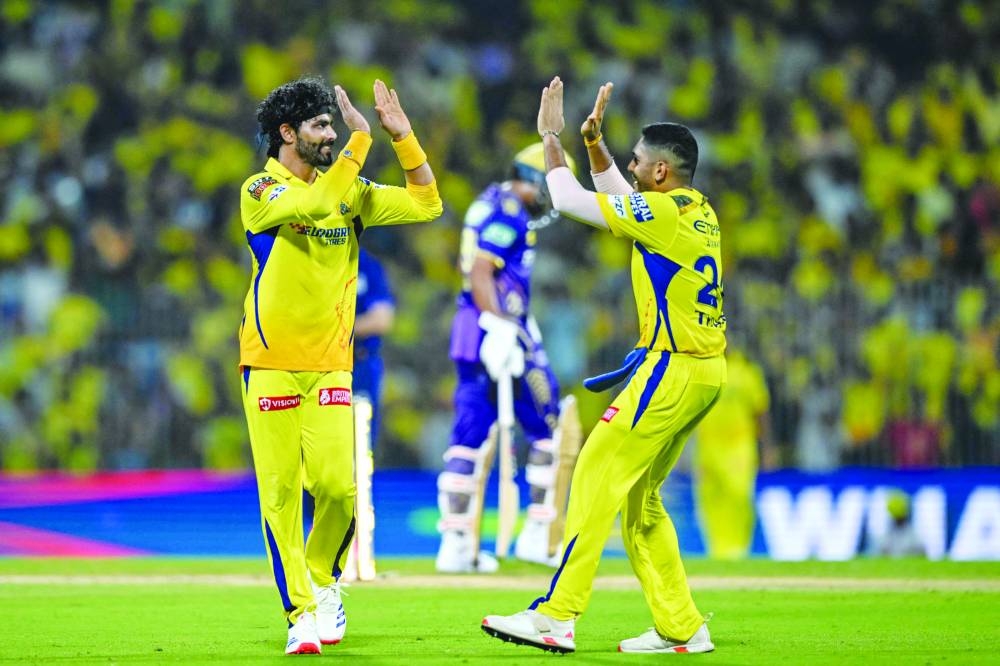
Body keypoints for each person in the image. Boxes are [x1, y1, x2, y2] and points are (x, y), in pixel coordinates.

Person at [482, 77, 726, 654]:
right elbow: (622, 196)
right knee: (642, 504)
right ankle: (682, 626)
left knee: (593, 473)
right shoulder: (694, 209)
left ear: (661, 171)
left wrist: (551, 136)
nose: (630, 167)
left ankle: (557, 615)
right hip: (704, 371)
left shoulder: (660, 212)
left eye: (637, 161)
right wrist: (594, 144)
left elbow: (570, 201)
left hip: (670, 370)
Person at [238, 76, 442, 655]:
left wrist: (402, 138)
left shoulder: (350, 189)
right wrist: (360, 141)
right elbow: (312, 204)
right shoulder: (259, 188)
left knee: (339, 487)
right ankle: (300, 613)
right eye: (320, 126)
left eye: (333, 125)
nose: (331, 134)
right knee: (281, 496)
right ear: (287, 133)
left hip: (332, 366)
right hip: (270, 365)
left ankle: (323, 580)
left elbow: (427, 203)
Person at [436, 142, 581, 573]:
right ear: (536, 179)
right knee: (546, 423)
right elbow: (481, 270)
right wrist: (499, 324)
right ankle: (538, 534)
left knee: (469, 432)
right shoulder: (510, 212)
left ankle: (456, 542)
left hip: (471, 328)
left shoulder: (489, 200)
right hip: (498, 327)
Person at [692, 344, 771, 560]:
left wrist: (767, 449)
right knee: (709, 498)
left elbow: (760, 412)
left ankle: (739, 549)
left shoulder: (746, 372)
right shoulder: (699, 368)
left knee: (739, 496)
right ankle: (717, 551)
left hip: (738, 445)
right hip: (707, 445)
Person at [353, 247, 395, 449]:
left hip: (359, 362)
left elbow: (381, 320)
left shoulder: (365, 265)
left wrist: (329, 331)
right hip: (316, 363)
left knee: (361, 438)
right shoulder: (308, 259)